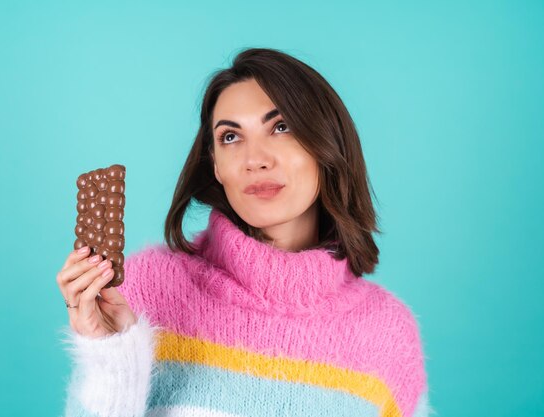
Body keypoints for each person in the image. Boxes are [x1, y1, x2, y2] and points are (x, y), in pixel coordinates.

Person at [56, 47, 432, 417]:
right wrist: (111, 357)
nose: (255, 160)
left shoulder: (388, 335)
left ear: (326, 145)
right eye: (231, 137)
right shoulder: (141, 293)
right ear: (215, 165)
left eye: (281, 127)